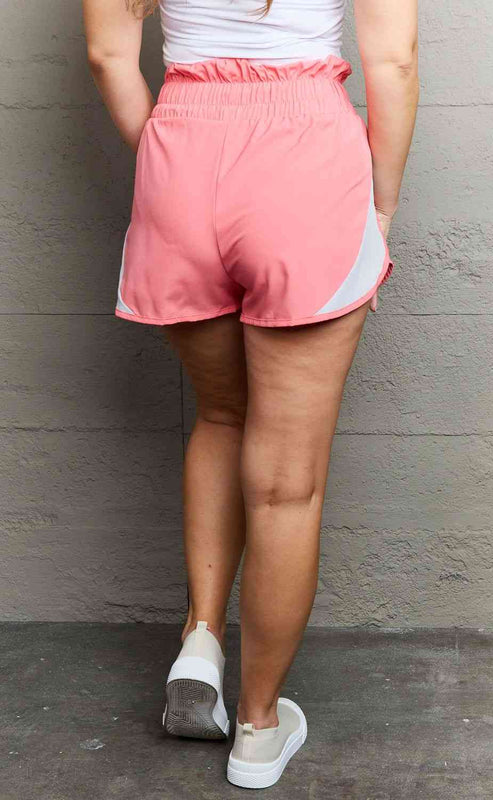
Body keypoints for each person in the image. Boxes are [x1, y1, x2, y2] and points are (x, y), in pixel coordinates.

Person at [83, 0, 418, 788]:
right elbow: (394, 63)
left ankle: (201, 639)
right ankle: (260, 729)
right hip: (305, 159)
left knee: (221, 414)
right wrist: (380, 208)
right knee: (285, 484)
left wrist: (174, 161)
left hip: (181, 147)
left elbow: (108, 57)